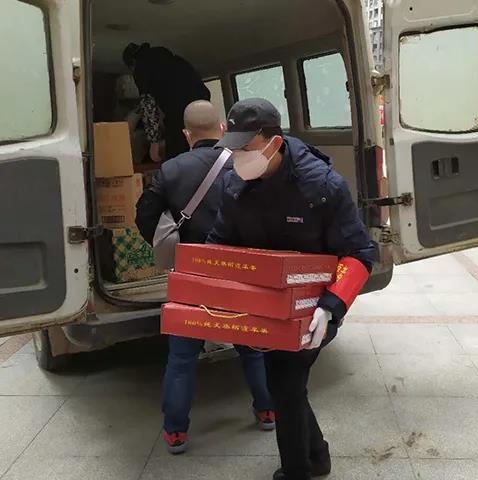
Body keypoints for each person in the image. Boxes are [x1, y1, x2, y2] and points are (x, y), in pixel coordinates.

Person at [207, 98, 378, 480]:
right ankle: (317, 456)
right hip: (265, 304)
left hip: (313, 307)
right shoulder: (234, 183)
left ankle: (297, 470)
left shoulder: (322, 187)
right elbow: (219, 241)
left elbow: (360, 253)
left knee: (284, 383)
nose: (238, 157)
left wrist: (331, 307)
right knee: (286, 386)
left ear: (274, 143)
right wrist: (210, 296)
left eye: (246, 148)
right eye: (233, 148)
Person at [135, 100, 275, 455]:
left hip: (192, 274)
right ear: (223, 129)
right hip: (241, 273)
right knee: (252, 349)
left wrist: (174, 245)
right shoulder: (245, 163)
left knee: (182, 358)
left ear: (186, 134)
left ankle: (176, 432)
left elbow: (144, 217)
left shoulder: (170, 170)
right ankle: (267, 410)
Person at [123, 42, 211, 162]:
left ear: (132, 62)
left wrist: (154, 142)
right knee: (204, 150)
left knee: (178, 157)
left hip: (180, 113)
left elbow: (148, 106)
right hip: (204, 108)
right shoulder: (177, 61)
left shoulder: (141, 68)